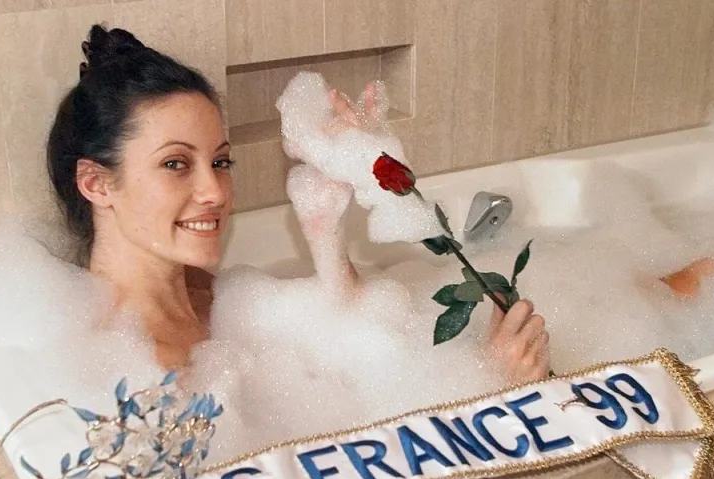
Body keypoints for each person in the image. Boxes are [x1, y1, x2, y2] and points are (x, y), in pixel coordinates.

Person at [47, 24, 552, 381]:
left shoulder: (210, 298)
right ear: (96, 184)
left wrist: (330, 231)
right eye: (176, 164)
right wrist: (493, 393)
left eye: (220, 162)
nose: (215, 193)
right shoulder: (133, 368)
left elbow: (356, 343)